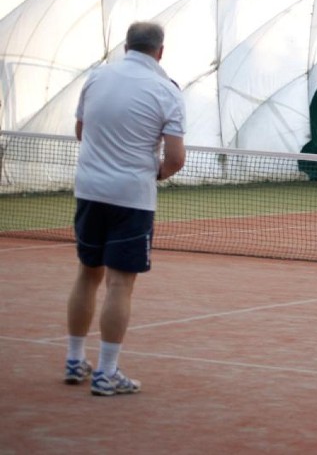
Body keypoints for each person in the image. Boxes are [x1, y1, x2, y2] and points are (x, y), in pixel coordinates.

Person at [64, 21, 186, 396]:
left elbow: (81, 131)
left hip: (89, 191)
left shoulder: (96, 78)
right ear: (160, 51)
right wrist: (155, 174)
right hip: (130, 198)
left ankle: (74, 360)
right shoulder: (167, 91)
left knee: (87, 274)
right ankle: (106, 372)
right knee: (120, 283)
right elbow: (176, 157)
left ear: (126, 45)